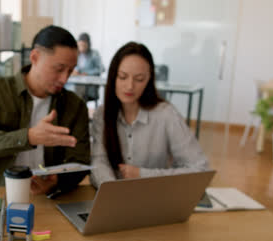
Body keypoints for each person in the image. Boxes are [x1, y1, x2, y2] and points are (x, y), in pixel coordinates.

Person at [0, 25, 90, 197]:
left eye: (70, 71)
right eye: (59, 68)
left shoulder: (74, 106)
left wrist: (57, 181)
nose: (64, 78)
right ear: (35, 57)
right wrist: (30, 137)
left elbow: (80, 161)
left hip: (49, 197)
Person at [90, 42, 210, 188]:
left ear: (149, 80)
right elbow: (99, 162)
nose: (129, 86)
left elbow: (200, 168)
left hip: (156, 196)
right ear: (112, 77)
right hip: (112, 200)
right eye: (122, 77)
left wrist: (142, 174)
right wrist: (112, 190)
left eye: (139, 79)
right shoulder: (102, 114)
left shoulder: (166, 114)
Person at [70, 33, 104, 102]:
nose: (81, 47)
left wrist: (86, 73)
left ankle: (78, 108)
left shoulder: (94, 54)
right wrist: (75, 71)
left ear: (88, 45)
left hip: (90, 86)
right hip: (77, 83)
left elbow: (101, 69)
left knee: (78, 91)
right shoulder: (77, 54)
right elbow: (76, 68)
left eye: (83, 45)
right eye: (80, 45)